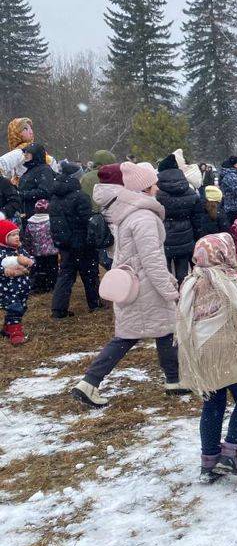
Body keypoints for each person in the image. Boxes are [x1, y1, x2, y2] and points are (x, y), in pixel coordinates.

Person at [71, 163, 185, 408]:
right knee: (132, 336)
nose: (157, 188)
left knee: (162, 330)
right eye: (153, 184)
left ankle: (174, 380)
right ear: (144, 189)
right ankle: (89, 383)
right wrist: (169, 289)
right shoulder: (143, 217)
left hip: (136, 283)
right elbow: (152, 259)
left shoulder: (128, 213)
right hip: (146, 287)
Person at [175, 233, 237, 483]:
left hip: (203, 355)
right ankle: (232, 453)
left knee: (212, 404)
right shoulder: (234, 286)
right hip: (232, 354)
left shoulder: (190, 283)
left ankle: (209, 462)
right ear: (226, 254)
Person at [49, 162, 101, 318]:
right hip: (82, 241)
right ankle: (95, 303)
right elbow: (86, 220)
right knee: (90, 273)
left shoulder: (55, 196)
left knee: (66, 274)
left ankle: (58, 309)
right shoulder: (80, 196)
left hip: (64, 241)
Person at [156, 154, 205, 285]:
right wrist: (197, 238)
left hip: (163, 237)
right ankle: (183, 292)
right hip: (185, 238)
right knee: (182, 273)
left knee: (164, 273)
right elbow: (197, 219)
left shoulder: (156, 194)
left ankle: (169, 295)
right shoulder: (190, 192)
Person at [0, 218, 33, 344]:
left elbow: (29, 260)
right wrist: (4, 271)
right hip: (7, 287)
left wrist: (28, 263)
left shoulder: (19, 249)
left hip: (22, 285)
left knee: (22, 307)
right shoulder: (2, 252)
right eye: (12, 235)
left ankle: (8, 328)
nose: (17, 237)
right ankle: (15, 332)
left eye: (17, 234)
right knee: (14, 308)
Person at [25, 199, 58, 293]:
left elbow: (27, 237)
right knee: (52, 269)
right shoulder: (51, 221)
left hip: (37, 251)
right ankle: (52, 285)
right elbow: (55, 235)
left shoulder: (30, 223)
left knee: (39, 269)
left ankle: (40, 286)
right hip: (51, 251)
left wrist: (29, 249)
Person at [218, 156, 237, 231]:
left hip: (230, 206)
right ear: (234, 165)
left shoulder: (230, 175)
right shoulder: (231, 176)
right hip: (234, 207)